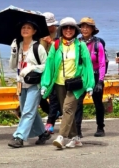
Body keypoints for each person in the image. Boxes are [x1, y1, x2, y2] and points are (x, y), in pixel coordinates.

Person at [41, 17, 95, 149]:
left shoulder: (81, 46)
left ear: (75, 31)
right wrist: (45, 83)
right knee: (67, 111)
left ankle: (61, 137)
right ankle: (75, 138)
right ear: (61, 30)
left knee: (67, 108)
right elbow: (49, 65)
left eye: (71, 28)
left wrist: (89, 85)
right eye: (65, 27)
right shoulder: (56, 45)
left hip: (76, 84)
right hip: (59, 83)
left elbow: (88, 66)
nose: (68, 30)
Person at [8, 21, 52, 148]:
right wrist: (13, 52)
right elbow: (12, 66)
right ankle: (43, 133)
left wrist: (32, 68)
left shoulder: (38, 47)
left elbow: (46, 65)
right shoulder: (18, 45)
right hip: (21, 84)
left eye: (29, 28)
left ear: (34, 31)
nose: (25, 30)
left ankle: (19, 136)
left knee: (28, 111)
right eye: (23, 27)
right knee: (27, 110)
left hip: (35, 84)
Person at [75, 17, 107, 137]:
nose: (84, 29)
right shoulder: (77, 43)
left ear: (93, 29)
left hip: (95, 75)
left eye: (87, 27)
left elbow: (102, 63)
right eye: (82, 26)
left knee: (97, 103)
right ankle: (77, 129)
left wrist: (100, 81)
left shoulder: (98, 44)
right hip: (81, 77)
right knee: (78, 103)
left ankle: (100, 127)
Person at [41, 12, 61, 132]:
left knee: (53, 98)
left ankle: (49, 124)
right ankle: (54, 113)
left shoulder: (60, 33)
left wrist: (51, 42)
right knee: (41, 96)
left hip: (57, 70)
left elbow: (65, 48)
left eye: (50, 25)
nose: (48, 28)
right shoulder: (40, 33)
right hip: (44, 70)